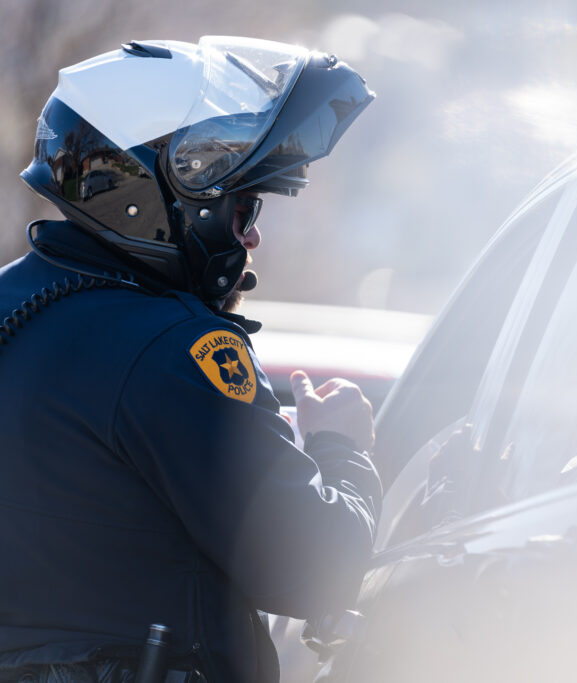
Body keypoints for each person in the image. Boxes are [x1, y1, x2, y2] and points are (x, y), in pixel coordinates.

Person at [0, 37, 381, 682]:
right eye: (244, 207)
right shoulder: (173, 349)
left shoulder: (21, 303)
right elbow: (316, 567)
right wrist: (342, 448)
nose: (251, 235)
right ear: (156, 194)